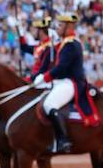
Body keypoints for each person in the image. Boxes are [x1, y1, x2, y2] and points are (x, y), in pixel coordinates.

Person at [32, 13, 86, 153]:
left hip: (71, 82)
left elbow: (61, 68)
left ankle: (63, 140)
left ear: (69, 27)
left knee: (49, 105)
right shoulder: (64, 43)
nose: (57, 27)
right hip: (62, 81)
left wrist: (45, 77)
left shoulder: (71, 44)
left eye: (60, 25)